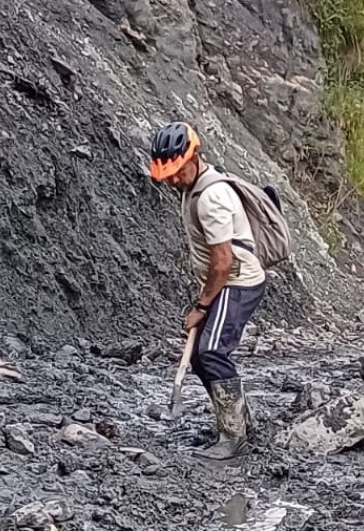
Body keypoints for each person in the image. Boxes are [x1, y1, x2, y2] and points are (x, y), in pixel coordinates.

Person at [149, 121, 267, 460]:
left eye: (176, 171)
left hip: (237, 281)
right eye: (166, 174)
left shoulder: (211, 197)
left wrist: (201, 306)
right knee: (203, 355)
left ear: (193, 157)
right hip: (224, 280)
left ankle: (234, 439)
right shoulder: (191, 187)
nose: (171, 180)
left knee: (212, 351)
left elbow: (223, 262)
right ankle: (236, 421)